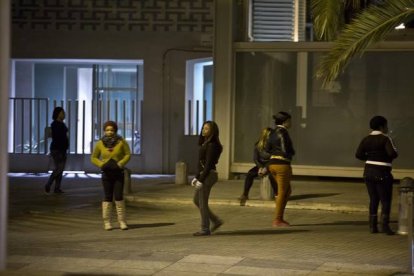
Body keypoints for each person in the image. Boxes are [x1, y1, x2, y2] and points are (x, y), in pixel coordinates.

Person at [355, 115, 398, 235]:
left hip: (368, 171)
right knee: (385, 199)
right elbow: (393, 153)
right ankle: (385, 226)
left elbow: (358, 154)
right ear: (381, 126)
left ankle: (372, 226)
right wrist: (382, 158)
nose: (387, 127)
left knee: (373, 199)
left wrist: (370, 157)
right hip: (382, 171)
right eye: (386, 125)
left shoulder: (366, 139)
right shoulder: (386, 139)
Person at [91, 121, 131, 231]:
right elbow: (94, 157)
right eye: (107, 130)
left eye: (112, 130)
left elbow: (128, 154)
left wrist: (120, 163)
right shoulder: (100, 143)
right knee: (107, 197)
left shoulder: (121, 142)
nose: (110, 132)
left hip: (118, 173)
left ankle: (122, 221)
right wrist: (101, 164)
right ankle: (107, 222)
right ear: (104, 131)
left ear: (115, 131)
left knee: (119, 196)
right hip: (106, 174)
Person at [191, 121, 223, 236]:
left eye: (207, 129)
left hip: (209, 175)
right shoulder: (205, 143)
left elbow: (208, 164)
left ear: (212, 131)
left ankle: (205, 228)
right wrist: (196, 177)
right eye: (203, 128)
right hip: (204, 174)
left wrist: (201, 179)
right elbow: (200, 163)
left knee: (202, 202)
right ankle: (216, 221)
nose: (204, 130)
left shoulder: (212, 145)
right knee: (196, 200)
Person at [265, 112, 295, 227]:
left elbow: (267, 149)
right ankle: (278, 219)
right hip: (282, 164)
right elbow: (285, 149)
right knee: (282, 192)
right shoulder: (283, 132)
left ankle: (280, 217)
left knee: (287, 191)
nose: (291, 123)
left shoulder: (271, 132)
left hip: (272, 164)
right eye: (290, 121)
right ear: (285, 121)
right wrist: (291, 153)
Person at [239, 127, 278, 206]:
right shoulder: (258, 145)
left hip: (271, 165)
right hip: (261, 165)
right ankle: (245, 194)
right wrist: (260, 167)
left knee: (271, 176)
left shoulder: (274, 146)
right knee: (250, 173)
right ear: (265, 136)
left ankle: (277, 195)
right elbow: (255, 158)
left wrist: (266, 168)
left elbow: (273, 159)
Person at [45, 107, 69, 194]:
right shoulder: (55, 124)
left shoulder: (62, 124)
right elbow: (58, 137)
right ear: (57, 114)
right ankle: (49, 183)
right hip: (57, 149)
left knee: (60, 169)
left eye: (64, 112)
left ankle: (57, 188)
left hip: (62, 149)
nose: (64, 114)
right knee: (59, 168)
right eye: (62, 112)